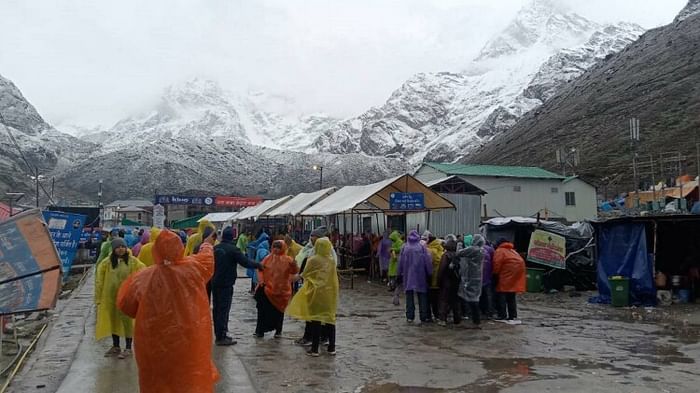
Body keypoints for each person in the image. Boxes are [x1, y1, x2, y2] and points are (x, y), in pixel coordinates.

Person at [117, 229, 219, 393]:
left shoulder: (142, 277)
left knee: (157, 379)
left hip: (153, 340)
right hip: (188, 337)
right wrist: (207, 244)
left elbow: (125, 305)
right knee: (188, 376)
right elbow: (207, 259)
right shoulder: (193, 269)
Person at [287, 237, 339, 356]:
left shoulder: (313, 260)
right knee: (330, 320)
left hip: (316, 293)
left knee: (316, 319)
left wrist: (292, 278)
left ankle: (315, 349)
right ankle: (332, 348)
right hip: (330, 294)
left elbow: (304, 274)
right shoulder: (332, 261)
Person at [95, 237, 145, 359]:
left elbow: (143, 272)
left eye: (123, 246)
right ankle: (116, 346)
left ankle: (128, 348)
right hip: (111, 297)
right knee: (113, 321)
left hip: (127, 297)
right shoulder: (107, 263)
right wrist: (98, 297)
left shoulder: (133, 261)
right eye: (118, 247)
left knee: (127, 322)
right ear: (113, 249)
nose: (121, 249)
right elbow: (99, 280)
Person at [212, 227, 263, 345]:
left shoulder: (215, 249)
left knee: (217, 308)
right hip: (226, 283)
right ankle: (221, 337)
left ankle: (219, 334)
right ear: (232, 237)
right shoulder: (233, 250)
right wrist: (258, 265)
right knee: (224, 309)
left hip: (215, 282)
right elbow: (245, 262)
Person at [254, 240, 299, 338]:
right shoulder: (267, 258)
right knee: (262, 311)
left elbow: (294, 271)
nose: (276, 249)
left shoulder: (288, 260)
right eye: (274, 247)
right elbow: (260, 270)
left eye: (278, 247)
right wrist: (261, 281)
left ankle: (278, 331)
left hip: (282, 291)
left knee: (279, 312)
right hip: (267, 289)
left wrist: (294, 265)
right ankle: (260, 330)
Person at [398, 230, 433, 323]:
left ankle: (410, 316)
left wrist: (399, 273)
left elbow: (400, 262)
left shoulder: (404, 247)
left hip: (407, 275)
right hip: (420, 274)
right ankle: (423, 316)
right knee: (422, 295)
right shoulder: (421, 247)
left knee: (409, 295)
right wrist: (430, 273)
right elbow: (428, 260)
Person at [492, 238, 526, 323]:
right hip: (517, 274)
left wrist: (494, 274)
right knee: (511, 295)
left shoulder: (500, 251)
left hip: (506, 274)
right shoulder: (512, 251)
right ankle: (513, 315)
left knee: (501, 294)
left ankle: (502, 315)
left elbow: (496, 264)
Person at [456, 234, 485, 328]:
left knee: (467, 299)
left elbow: (459, 253)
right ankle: (476, 320)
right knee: (474, 299)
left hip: (470, 278)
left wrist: (459, 243)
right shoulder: (481, 250)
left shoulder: (474, 249)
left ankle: (472, 319)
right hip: (477, 277)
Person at [437, 235, 461, 326]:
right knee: (456, 300)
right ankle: (457, 318)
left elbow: (441, 269)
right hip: (456, 281)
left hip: (446, 281)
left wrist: (439, 280)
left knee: (444, 300)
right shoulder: (458, 255)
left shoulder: (445, 255)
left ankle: (443, 319)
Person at [424, 230, 444, 321]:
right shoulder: (441, 250)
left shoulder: (429, 251)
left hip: (432, 278)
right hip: (440, 278)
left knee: (431, 300)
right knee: (439, 299)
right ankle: (438, 315)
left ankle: (430, 316)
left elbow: (427, 265)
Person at [479, 240, 496, 319]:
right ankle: (489, 312)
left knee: (478, 295)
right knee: (488, 295)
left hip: (477, 277)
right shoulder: (491, 250)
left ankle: (479, 311)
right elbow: (494, 262)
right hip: (488, 276)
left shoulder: (475, 249)